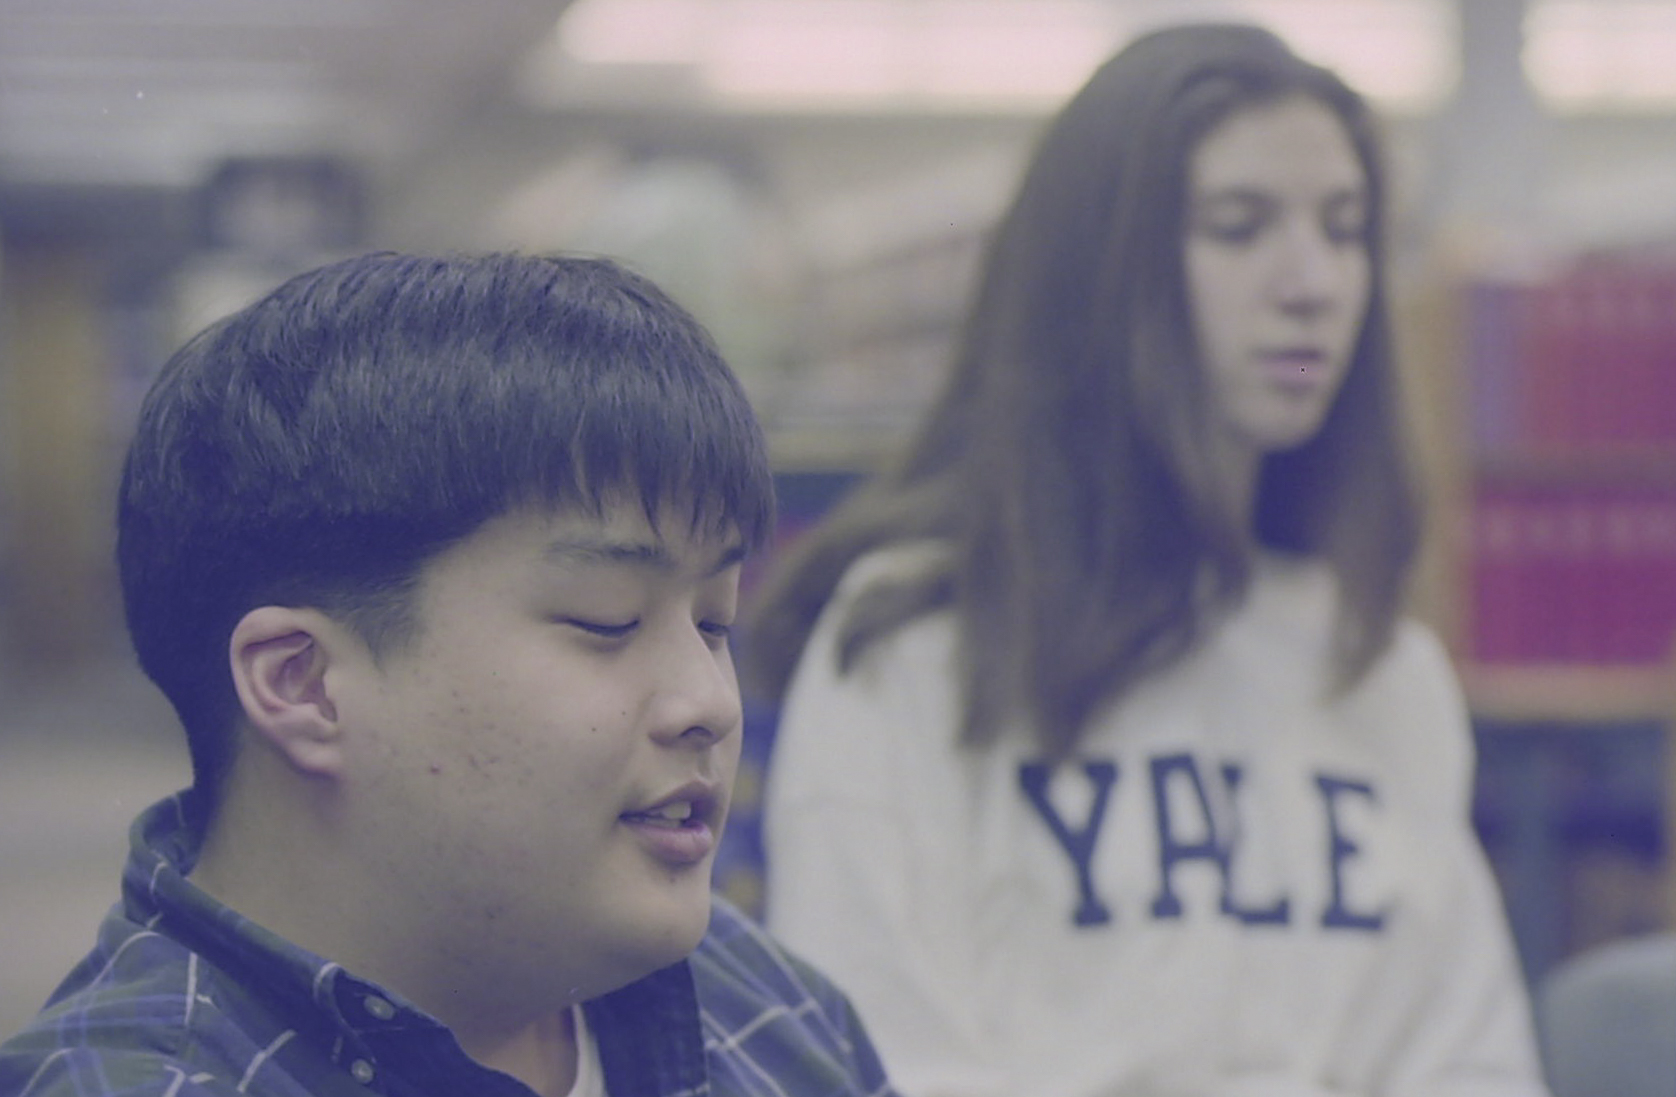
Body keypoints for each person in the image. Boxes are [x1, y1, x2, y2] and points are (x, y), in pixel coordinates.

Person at [744, 23, 1549, 1097]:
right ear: (1100, 267)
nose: (1313, 282)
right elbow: (877, 1052)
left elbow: (1473, 1061)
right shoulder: (911, 643)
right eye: (1238, 226)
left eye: (1346, 228)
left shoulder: (1381, 670)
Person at [0, 252, 898, 1097]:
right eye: (608, 620)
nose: (709, 702)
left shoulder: (770, 1004)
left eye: (715, 622)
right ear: (302, 684)